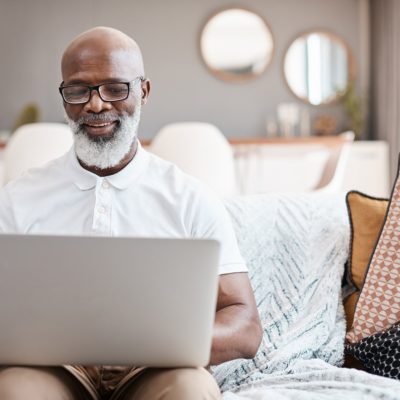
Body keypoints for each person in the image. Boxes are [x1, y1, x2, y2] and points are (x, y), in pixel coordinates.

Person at [0, 27, 262, 400]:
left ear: (144, 91)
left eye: (115, 88)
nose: (95, 105)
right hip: (53, 367)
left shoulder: (190, 199)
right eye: (78, 90)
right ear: (64, 99)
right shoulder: (18, 199)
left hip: (157, 367)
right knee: (14, 392)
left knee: (191, 389)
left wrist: (169, 343)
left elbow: (246, 325)